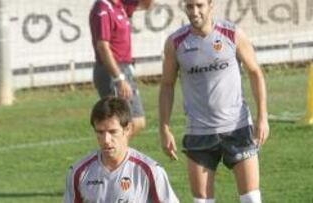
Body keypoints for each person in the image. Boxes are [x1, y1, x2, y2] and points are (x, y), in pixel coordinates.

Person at [159, 0, 269, 202]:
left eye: (199, 5)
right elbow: (167, 85)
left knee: (252, 198)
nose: (194, 11)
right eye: (189, 6)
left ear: (211, 5)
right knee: (201, 200)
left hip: (238, 128)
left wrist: (263, 116)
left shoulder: (232, 34)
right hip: (199, 132)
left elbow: (255, 72)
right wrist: (164, 127)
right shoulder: (175, 43)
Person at [63, 97, 179, 203]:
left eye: (113, 132)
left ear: (127, 129)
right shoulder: (78, 172)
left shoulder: (150, 171)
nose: (106, 140)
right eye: (100, 132)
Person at [89, 0, 153, 137]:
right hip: (112, 71)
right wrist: (119, 78)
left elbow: (147, 5)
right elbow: (102, 46)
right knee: (117, 123)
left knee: (136, 121)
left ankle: (113, 152)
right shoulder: (103, 7)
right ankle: (109, 154)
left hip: (124, 69)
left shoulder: (119, 5)